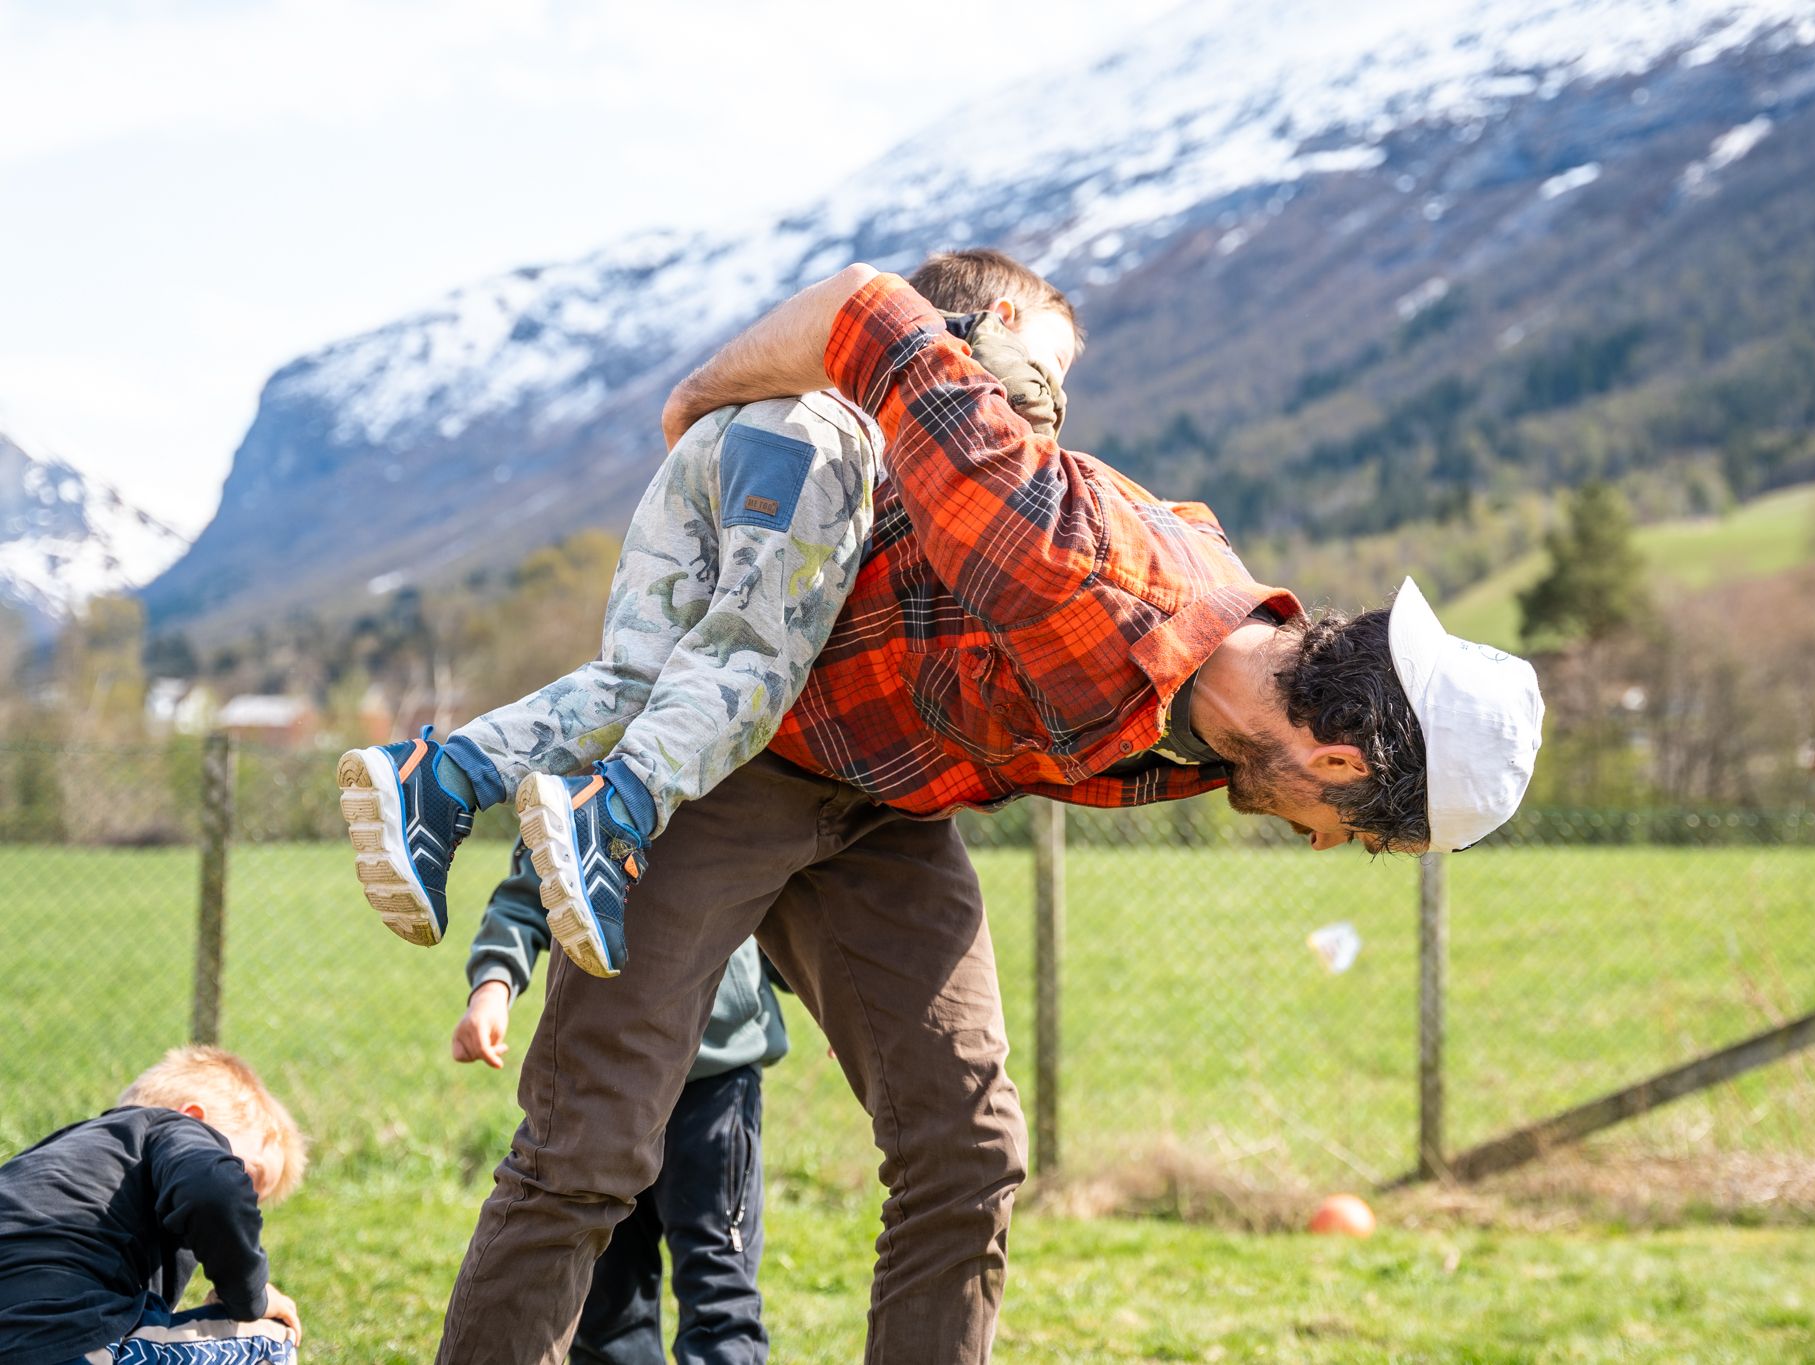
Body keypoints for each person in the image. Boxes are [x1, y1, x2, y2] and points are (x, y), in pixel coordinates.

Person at [433, 261, 1543, 1365]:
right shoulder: (1067, 557)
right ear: (1339, 757)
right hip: (733, 754)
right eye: (1349, 826)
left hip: (886, 804)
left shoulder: (1216, 729)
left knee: (967, 1154)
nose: (1319, 839)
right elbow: (867, 308)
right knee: (593, 1143)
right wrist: (696, 409)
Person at [335, 250, 1080, 978]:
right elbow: (1014, 418)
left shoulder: (828, 349)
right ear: (1007, 315)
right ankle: (614, 811)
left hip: (726, 437)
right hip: (819, 448)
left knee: (638, 676)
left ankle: (438, 780)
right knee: (748, 660)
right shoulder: (968, 343)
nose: (1055, 387)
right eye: (1056, 361)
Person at [451, 843, 787, 1365]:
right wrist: (493, 985)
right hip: (608, 1083)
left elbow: (798, 908)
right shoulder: (577, 783)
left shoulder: (744, 784)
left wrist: (844, 1002)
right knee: (607, 1299)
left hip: (714, 1082)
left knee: (719, 1285)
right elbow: (525, 897)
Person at [0, 1046, 309, 1365]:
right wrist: (250, 1296)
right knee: (271, 1338)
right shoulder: (175, 1128)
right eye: (246, 1176)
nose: (245, 1201)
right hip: (68, 1341)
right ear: (194, 1118)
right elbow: (213, 1190)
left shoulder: (50, 1158)